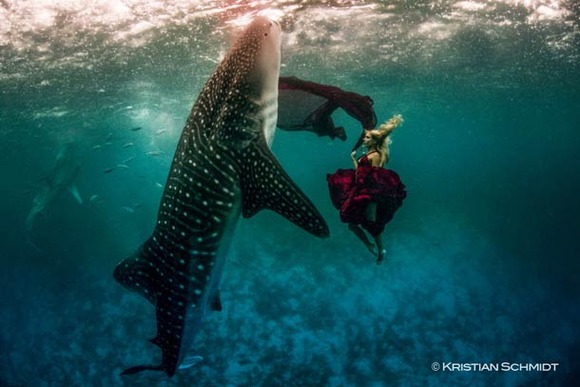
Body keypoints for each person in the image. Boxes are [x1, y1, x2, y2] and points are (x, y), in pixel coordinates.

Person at [327, 115, 406, 264]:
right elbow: (361, 173)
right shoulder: (368, 154)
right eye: (365, 137)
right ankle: (369, 244)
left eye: (367, 137)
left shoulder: (376, 155)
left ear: (375, 140)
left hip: (371, 194)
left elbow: (377, 176)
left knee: (371, 223)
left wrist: (372, 198)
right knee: (352, 224)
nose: (364, 139)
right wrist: (353, 160)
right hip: (361, 191)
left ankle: (381, 248)